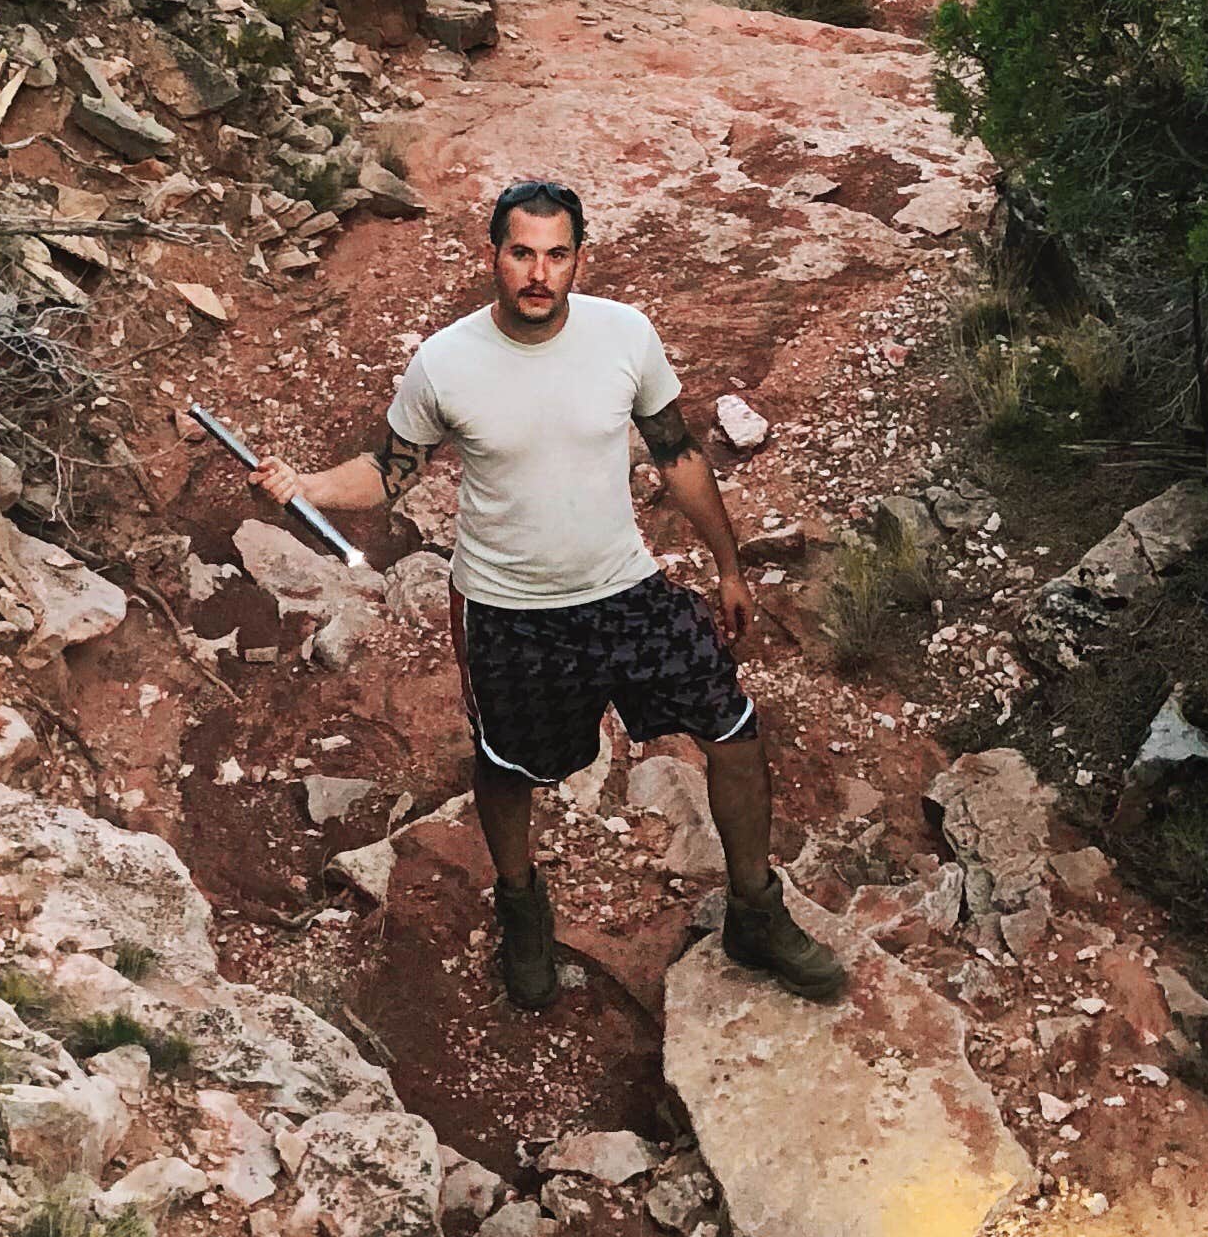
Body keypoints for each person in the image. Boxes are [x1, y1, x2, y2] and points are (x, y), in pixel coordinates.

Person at [252, 175, 848, 1013]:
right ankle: (521, 902)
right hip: (508, 609)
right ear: (494, 256)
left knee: (734, 730)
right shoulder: (445, 362)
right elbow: (389, 472)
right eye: (521, 253)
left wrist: (728, 564)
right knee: (506, 767)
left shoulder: (625, 336)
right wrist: (302, 483)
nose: (538, 273)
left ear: (579, 258)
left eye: (556, 255)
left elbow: (677, 455)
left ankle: (755, 909)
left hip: (624, 590)